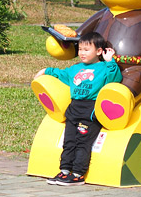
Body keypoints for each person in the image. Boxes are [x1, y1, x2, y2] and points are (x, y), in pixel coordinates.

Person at [34, 32, 122, 185]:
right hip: (74, 109)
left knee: (83, 142)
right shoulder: (76, 68)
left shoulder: (103, 68)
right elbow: (61, 74)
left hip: (90, 110)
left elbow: (114, 79)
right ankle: (65, 171)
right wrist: (45, 71)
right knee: (69, 141)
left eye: (86, 50)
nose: (82, 53)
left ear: (99, 51)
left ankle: (78, 174)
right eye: (80, 49)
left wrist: (110, 62)